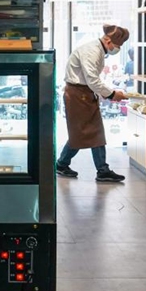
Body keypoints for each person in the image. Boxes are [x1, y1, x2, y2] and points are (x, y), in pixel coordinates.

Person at [57, 24, 129, 183]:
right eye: (117, 46)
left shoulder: (97, 49)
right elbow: (92, 80)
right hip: (78, 95)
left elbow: (92, 81)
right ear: (108, 41)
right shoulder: (92, 51)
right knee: (82, 133)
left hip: (83, 94)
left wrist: (107, 93)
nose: (117, 49)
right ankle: (64, 164)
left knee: (92, 132)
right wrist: (112, 94)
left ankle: (99, 169)